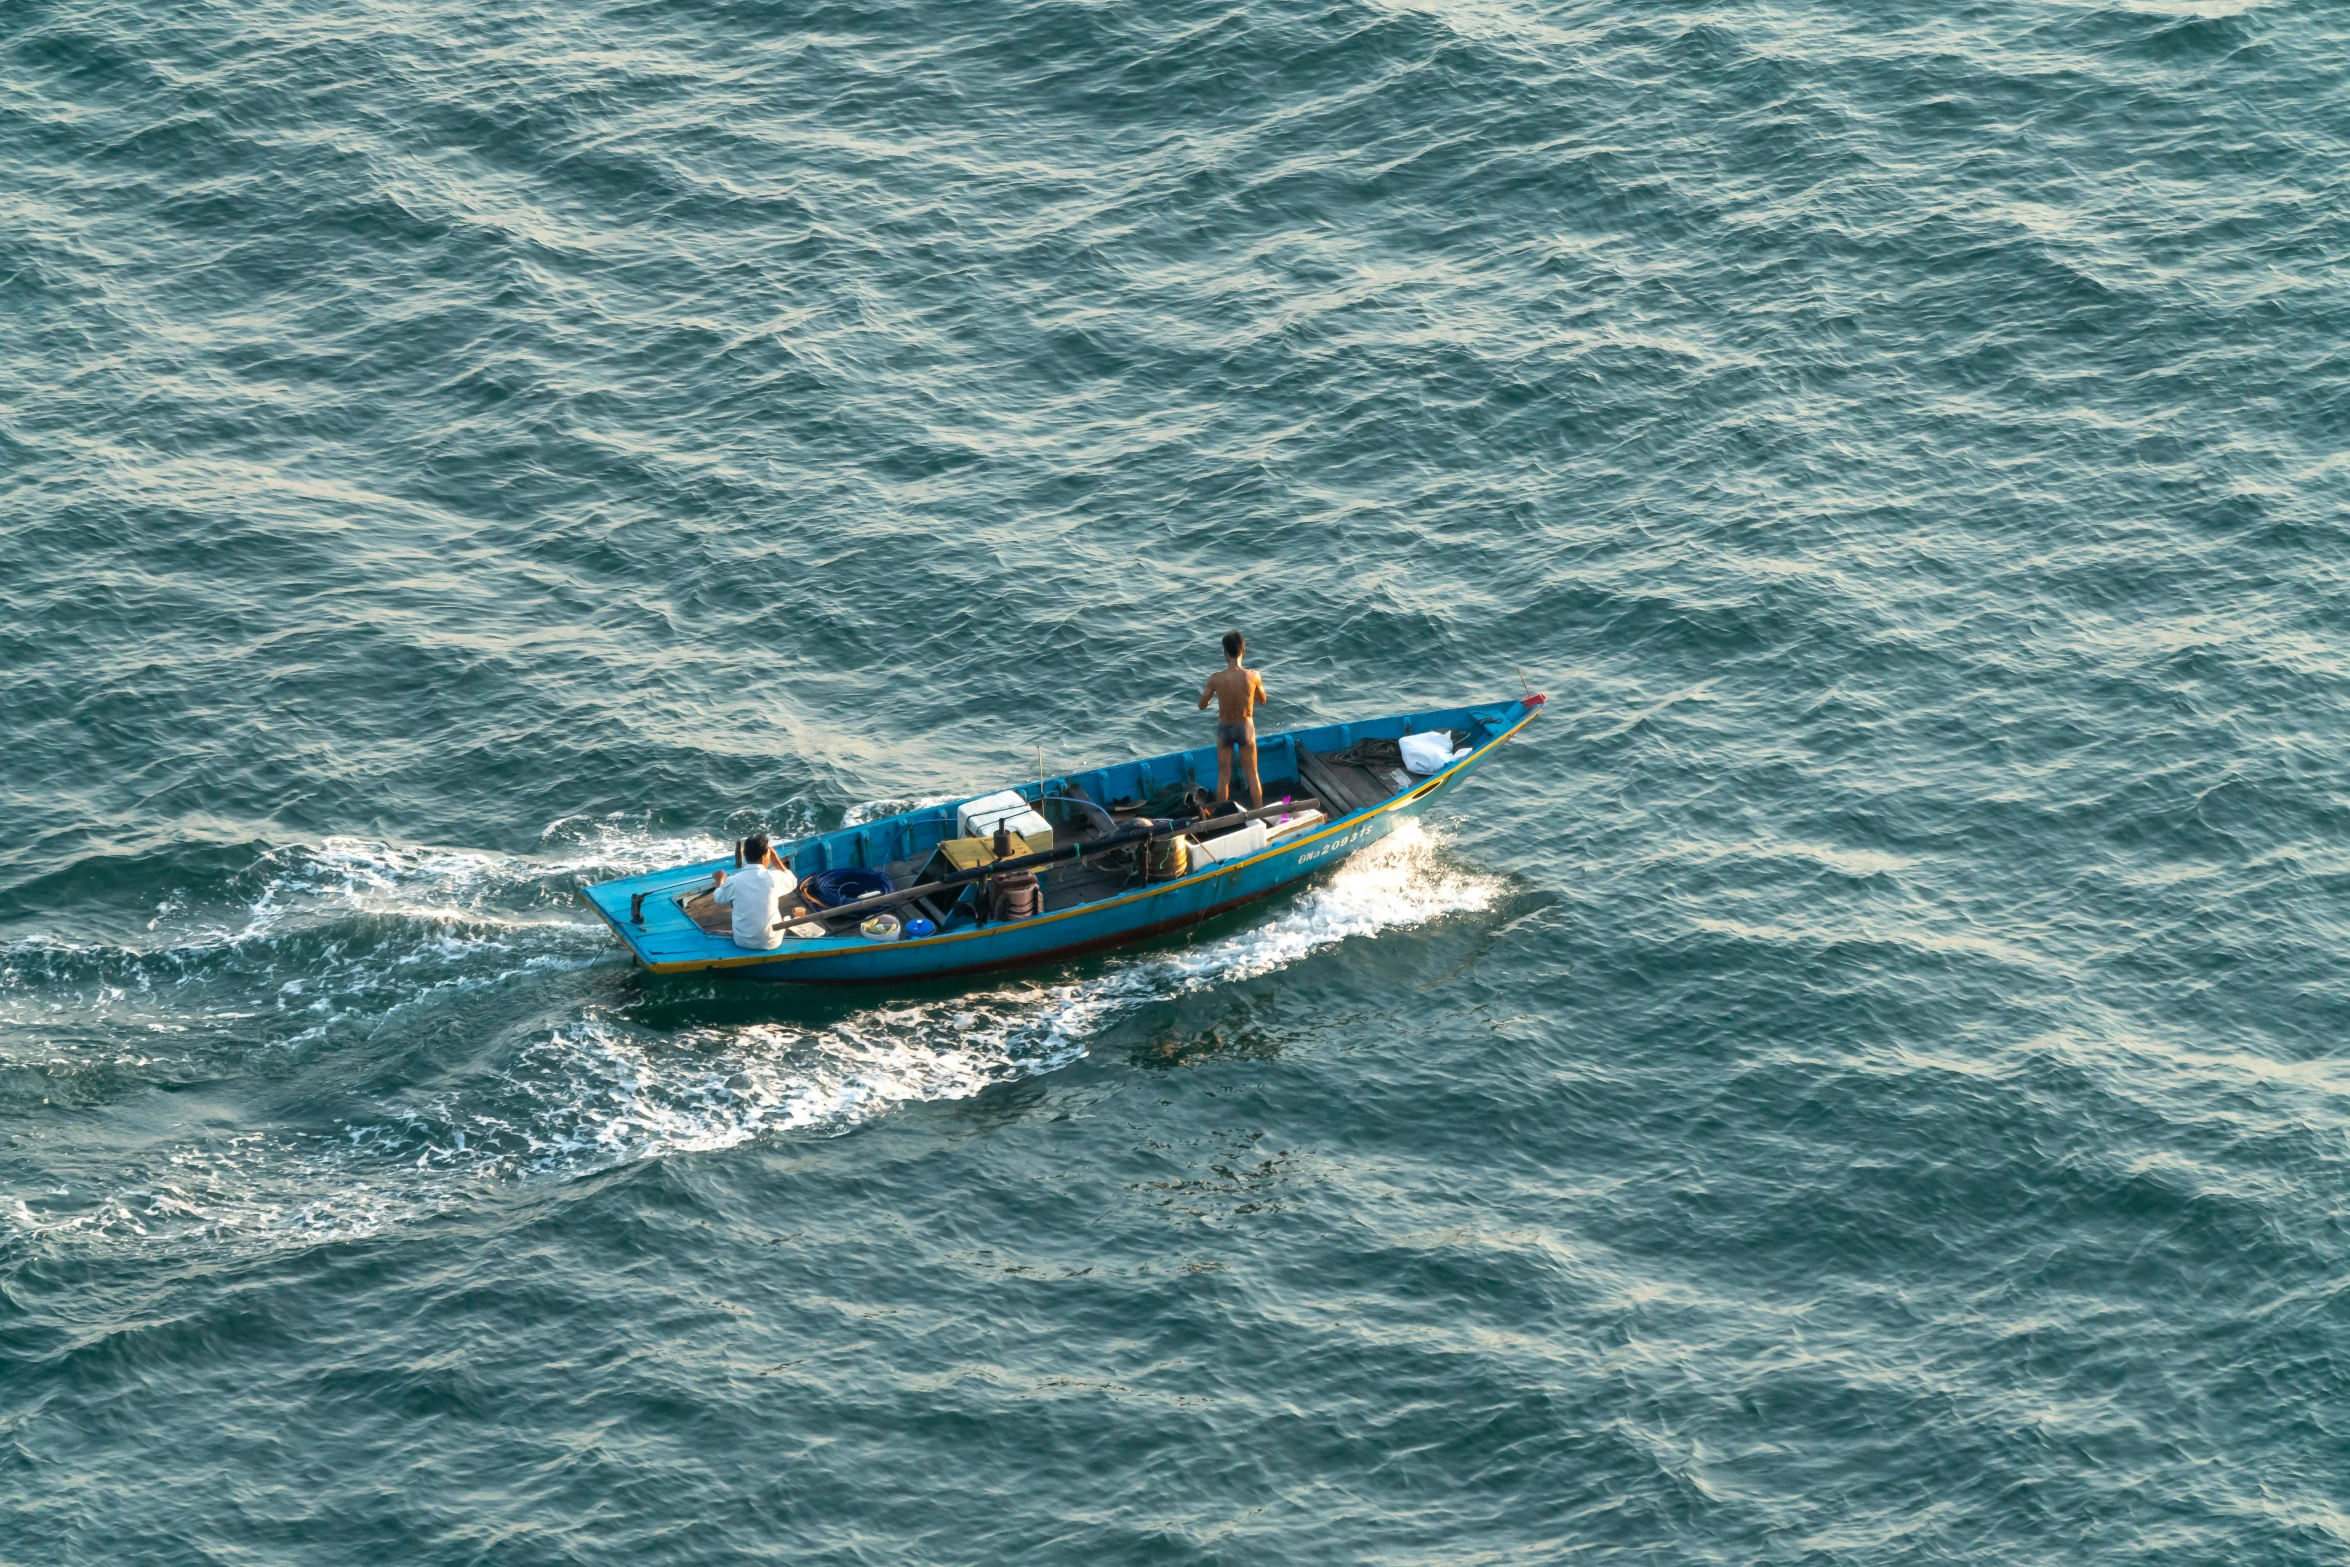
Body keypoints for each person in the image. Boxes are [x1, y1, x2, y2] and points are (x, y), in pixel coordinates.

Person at [1197, 629, 1269, 808]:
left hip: (1225, 728)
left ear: (1225, 654)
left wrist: (1214, 694)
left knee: (1223, 776)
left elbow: (1201, 705)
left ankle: (1222, 816)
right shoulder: (1253, 676)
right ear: (1243, 651)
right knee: (1252, 775)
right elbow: (1262, 700)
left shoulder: (1216, 679)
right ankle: (1259, 813)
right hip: (1245, 727)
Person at [710, 833, 798, 950]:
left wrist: (719, 881)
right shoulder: (774, 877)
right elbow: (792, 881)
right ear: (763, 857)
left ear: (746, 855)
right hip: (772, 942)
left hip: (742, 941)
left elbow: (718, 897)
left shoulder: (733, 881)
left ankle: (738, 931)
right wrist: (775, 860)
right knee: (782, 916)